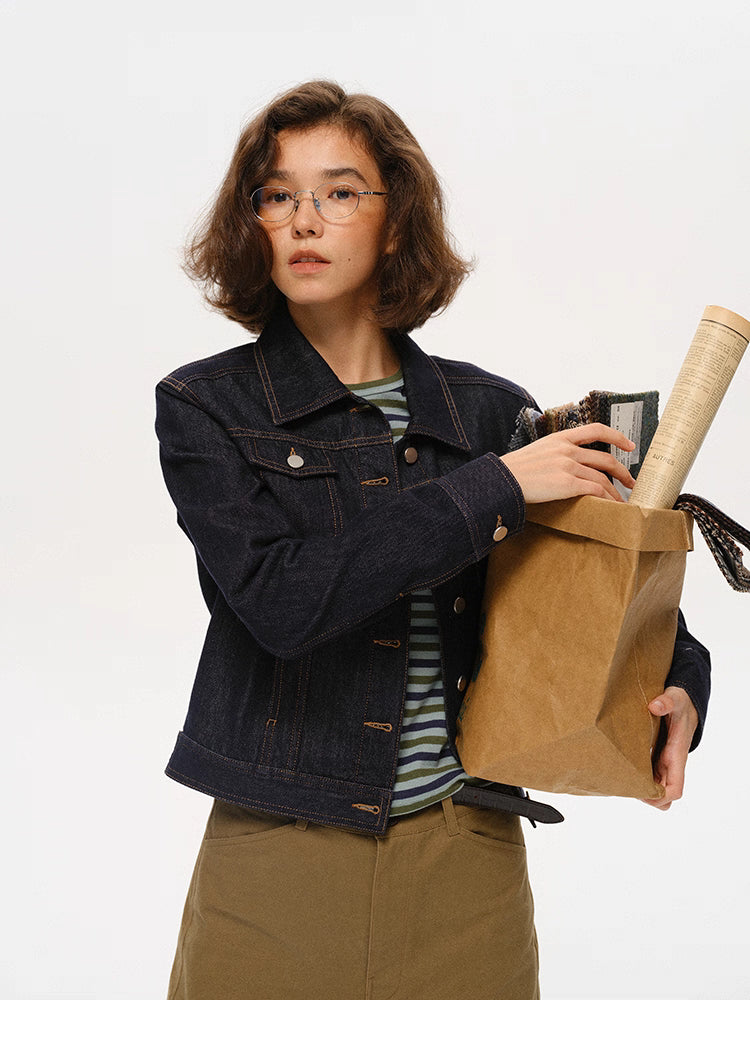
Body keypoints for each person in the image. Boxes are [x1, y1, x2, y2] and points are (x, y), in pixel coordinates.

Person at [155, 80, 710, 1000]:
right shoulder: (207, 407)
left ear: (396, 220)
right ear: (251, 222)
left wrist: (686, 681)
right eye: (277, 195)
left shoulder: (489, 410)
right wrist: (496, 487)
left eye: (339, 192)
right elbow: (285, 604)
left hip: (468, 856)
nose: (304, 218)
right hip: (276, 854)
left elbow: (592, 588)